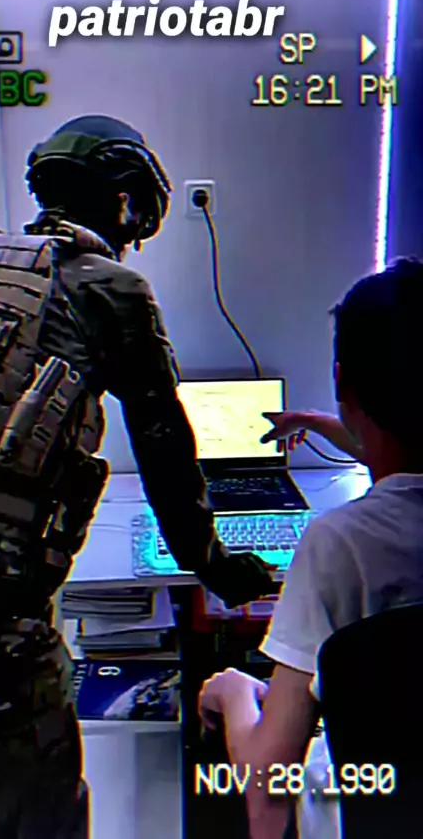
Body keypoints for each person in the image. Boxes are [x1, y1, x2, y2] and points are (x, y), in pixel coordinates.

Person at [0, 114, 274, 836]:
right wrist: (215, 567)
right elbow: (164, 446)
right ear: (125, 203)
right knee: (39, 807)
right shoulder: (111, 285)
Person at [199, 257, 423, 839]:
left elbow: (267, 801)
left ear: (343, 382)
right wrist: (318, 422)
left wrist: (234, 692)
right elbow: (397, 449)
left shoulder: (338, 546)